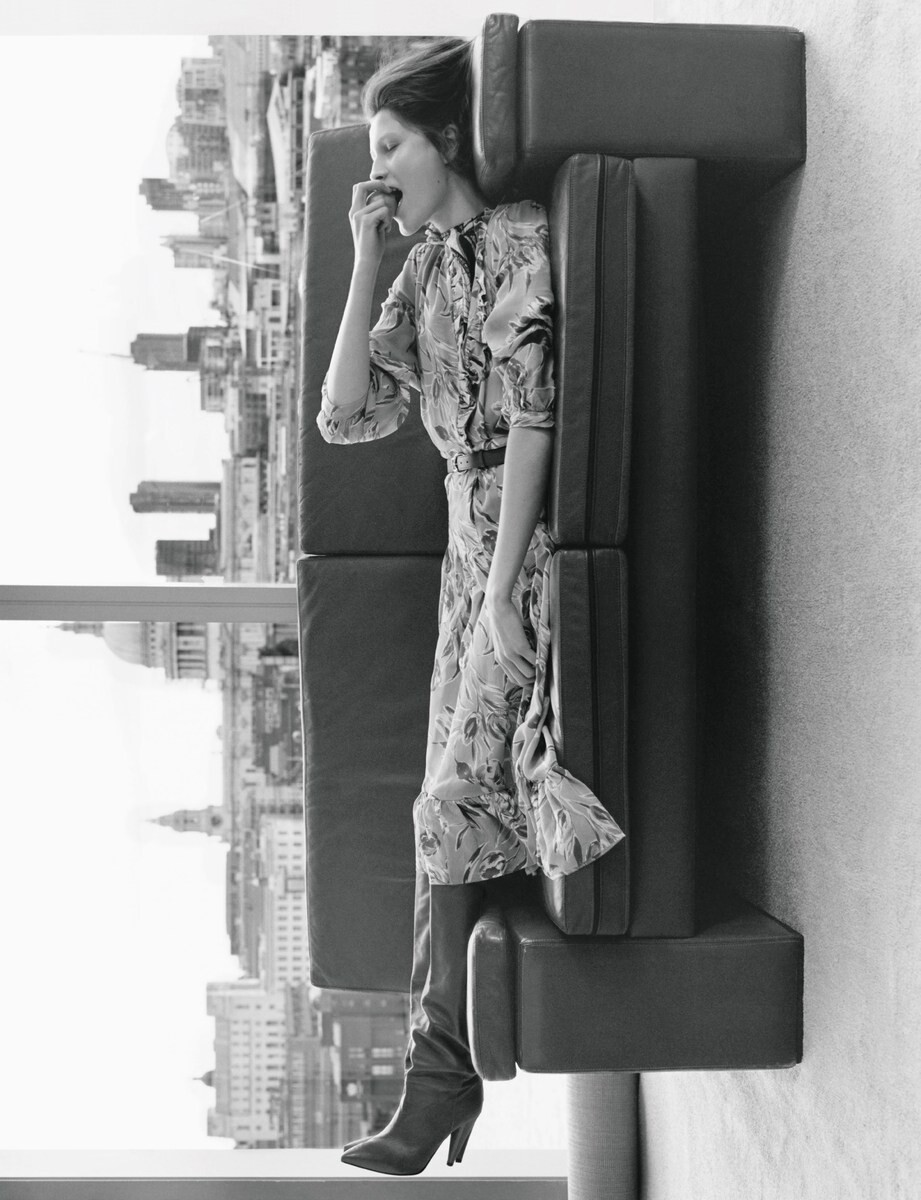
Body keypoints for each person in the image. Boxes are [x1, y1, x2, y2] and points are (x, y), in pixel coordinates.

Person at [317, 36, 625, 1176]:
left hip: (516, 542)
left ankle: (439, 1077)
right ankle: (437, 1069)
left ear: (447, 139)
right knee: (434, 805)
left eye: (391, 144)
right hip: (467, 548)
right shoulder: (421, 271)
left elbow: (538, 414)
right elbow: (345, 418)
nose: (378, 168)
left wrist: (503, 592)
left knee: (451, 799)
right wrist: (363, 258)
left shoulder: (517, 240)